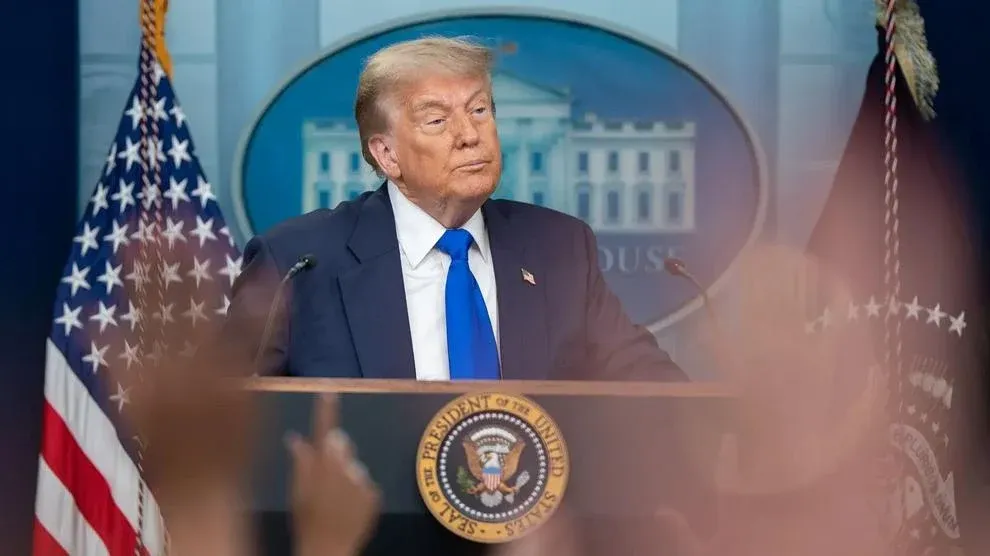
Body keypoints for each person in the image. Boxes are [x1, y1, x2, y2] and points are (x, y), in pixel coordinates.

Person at [225, 36, 685, 382]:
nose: (469, 134)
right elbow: (212, 432)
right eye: (438, 120)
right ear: (387, 156)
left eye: (480, 110)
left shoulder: (559, 248)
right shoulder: (298, 264)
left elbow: (654, 390)